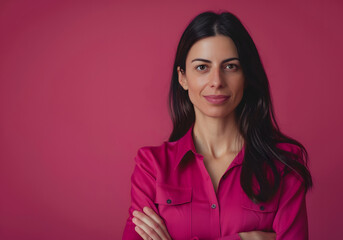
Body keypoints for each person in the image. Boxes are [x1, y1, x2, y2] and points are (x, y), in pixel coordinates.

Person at [122, 10, 313, 240]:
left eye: (230, 66)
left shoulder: (284, 164)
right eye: (202, 67)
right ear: (183, 77)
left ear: (246, 75)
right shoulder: (151, 166)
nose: (217, 82)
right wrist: (245, 239)